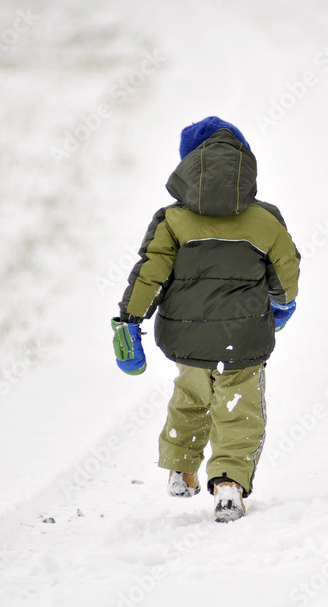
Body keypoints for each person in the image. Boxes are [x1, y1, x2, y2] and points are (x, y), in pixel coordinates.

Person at [112, 116, 300, 520]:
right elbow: (286, 271)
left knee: (190, 397)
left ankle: (181, 470)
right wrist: (282, 303)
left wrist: (128, 320)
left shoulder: (173, 220)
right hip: (244, 340)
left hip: (187, 340)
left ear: (188, 168)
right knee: (238, 410)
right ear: (243, 170)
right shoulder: (265, 220)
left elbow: (150, 272)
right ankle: (229, 485)